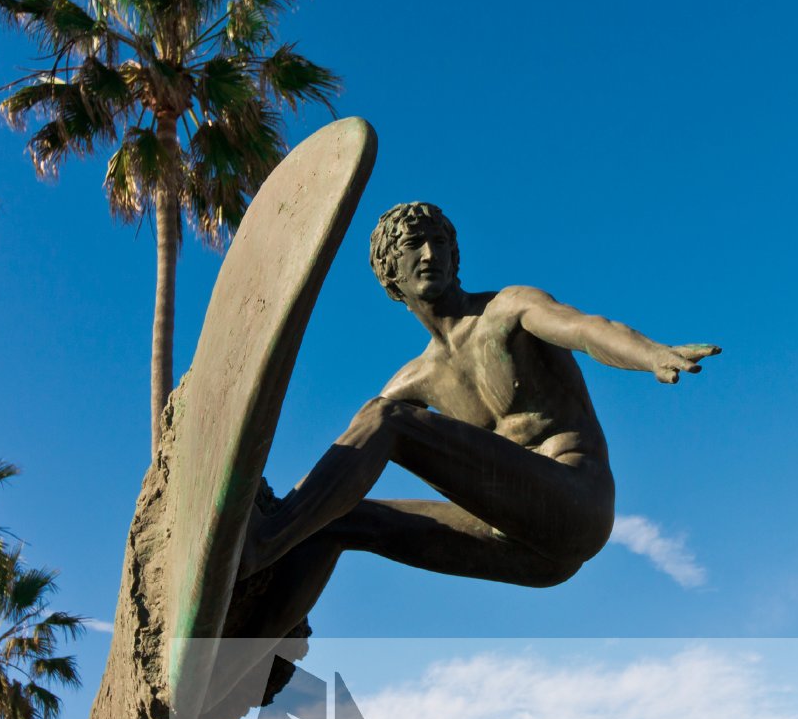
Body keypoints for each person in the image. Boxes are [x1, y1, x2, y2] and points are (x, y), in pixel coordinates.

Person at [238, 201, 718, 633]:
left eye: (440, 242)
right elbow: (348, 457)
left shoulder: (506, 310)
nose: (430, 253)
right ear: (391, 277)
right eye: (412, 245)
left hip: (576, 505)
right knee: (336, 519)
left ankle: (259, 547)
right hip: (525, 552)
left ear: (454, 256)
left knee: (384, 420)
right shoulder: (415, 378)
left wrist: (650, 353)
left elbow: (585, 329)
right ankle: (240, 659)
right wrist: (294, 508)